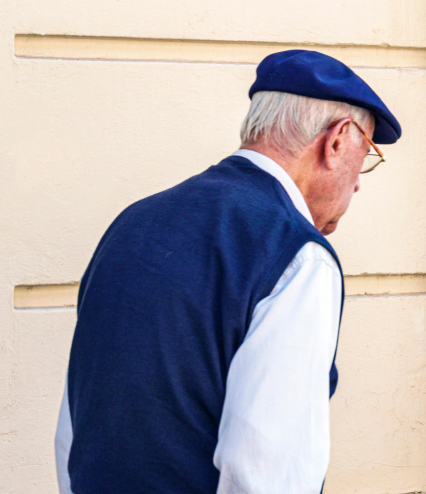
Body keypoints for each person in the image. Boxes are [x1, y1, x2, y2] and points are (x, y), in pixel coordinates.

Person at [55, 50, 401, 493]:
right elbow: (266, 472)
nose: (357, 182)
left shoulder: (132, 224)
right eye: (366, 153)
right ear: (337, 141)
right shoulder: (299, 256)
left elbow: (74, 431)